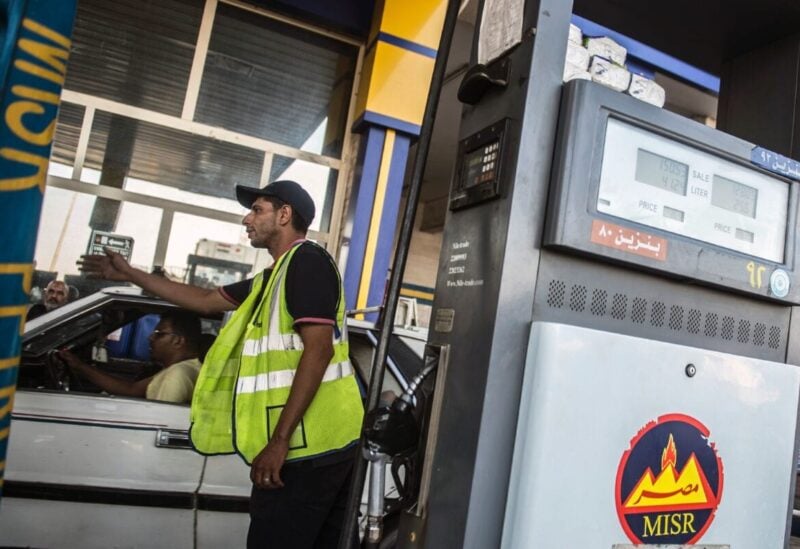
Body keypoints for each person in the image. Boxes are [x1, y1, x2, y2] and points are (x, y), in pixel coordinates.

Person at [78, 180, 363, 548]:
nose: (247, 219)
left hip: (309, 450)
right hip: (321, 446)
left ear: (284, 214)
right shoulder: (273, 277)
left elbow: (319, 351)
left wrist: (279, 442)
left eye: (257, 210)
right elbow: (207, 300)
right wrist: (131, 274)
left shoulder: (306, 263)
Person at [60, 311, 203, 404]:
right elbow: (131, 389)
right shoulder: (184, 368)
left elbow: (159, 422)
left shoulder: (177, 375)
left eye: (159, 333)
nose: (150, 337)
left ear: (178, 340)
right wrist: (80, 366)